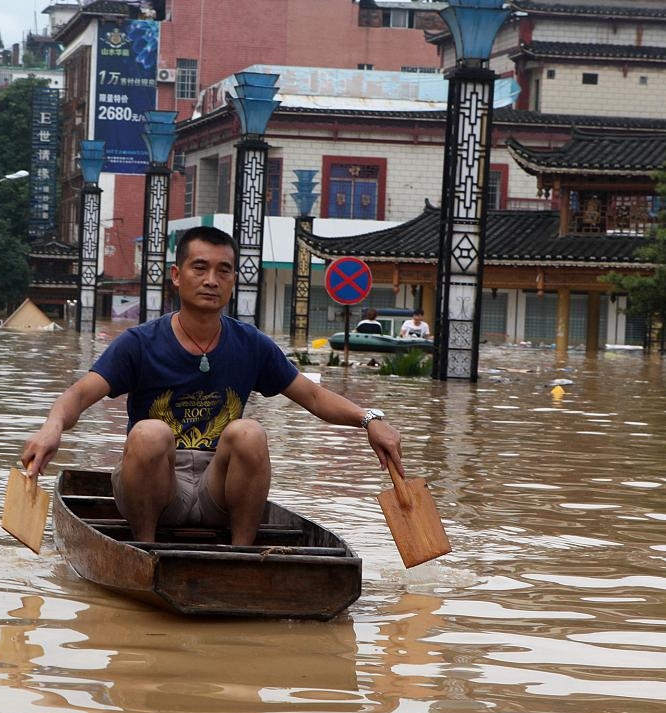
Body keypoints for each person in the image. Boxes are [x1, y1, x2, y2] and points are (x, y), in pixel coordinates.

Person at [20, 226, 404, 547]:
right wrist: (51, 428)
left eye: (224, 271)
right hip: (156, 486)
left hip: (218, 487)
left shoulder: (250, 343)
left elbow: (315, 396)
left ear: (233, 280)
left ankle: (240, 558)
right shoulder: (140, 342)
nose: (211, 280)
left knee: (248, 432)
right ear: (176, 275)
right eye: (199, 267)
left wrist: (370, 419)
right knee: (150, 432)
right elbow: (80, 393)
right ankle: (144, 549)